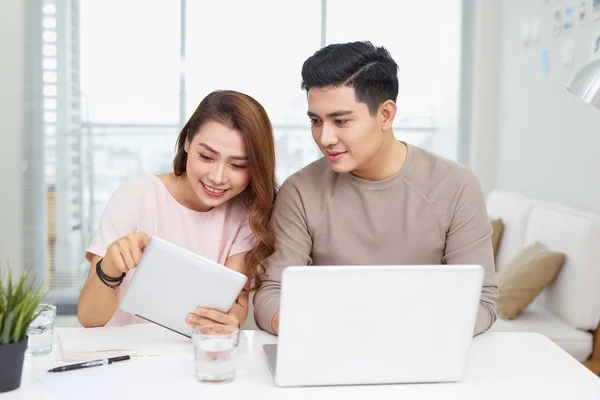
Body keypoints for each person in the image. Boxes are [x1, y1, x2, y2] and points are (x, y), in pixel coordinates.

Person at [253, 41, 498, 336]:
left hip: (423, 349)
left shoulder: (456, 186)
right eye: (316, 121)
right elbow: (271, 295)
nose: (325, 138)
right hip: (331, 349)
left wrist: (399, 332)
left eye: (340, 121)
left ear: (385, 115)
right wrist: (313, 330)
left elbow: (481, 302)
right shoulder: (300, 191)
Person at [77, 90, 277, 329]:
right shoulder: (135, 197)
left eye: (237, 165)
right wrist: (110, 266)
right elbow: (89, 319)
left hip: (193, 356)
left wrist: (226, 322)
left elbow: (235, 306)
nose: (218, 177)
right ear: (187, 142)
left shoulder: (247, 215)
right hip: (126, 356)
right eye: (206, 157)